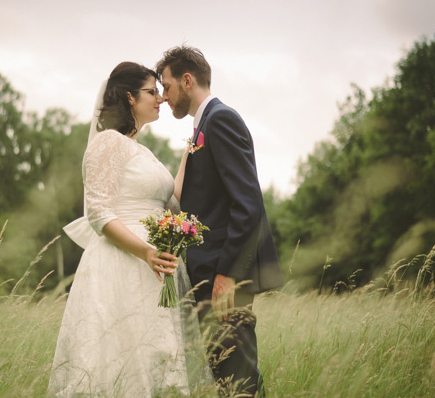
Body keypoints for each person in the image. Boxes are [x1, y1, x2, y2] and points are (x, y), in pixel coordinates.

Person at [48, 62, 193, 396]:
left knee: (155, 359)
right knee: (118, 361)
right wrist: (146, 252)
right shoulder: (107, 143)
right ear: (130, 97)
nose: (160, 98)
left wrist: (192, 150)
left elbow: (172, 204)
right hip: (122, 265)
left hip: (153, 269)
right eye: (152, 91)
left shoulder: (141, 151)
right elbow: (98, 212)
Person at [156, 46, 284, 397]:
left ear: (187, 80)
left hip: (224, 275)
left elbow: (248, 204)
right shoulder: (203, 126)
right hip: (210, 273)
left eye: (166, 87)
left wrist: (228, 274)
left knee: (238, 376)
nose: (164, 97)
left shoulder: (221, 120)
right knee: (224, 374)